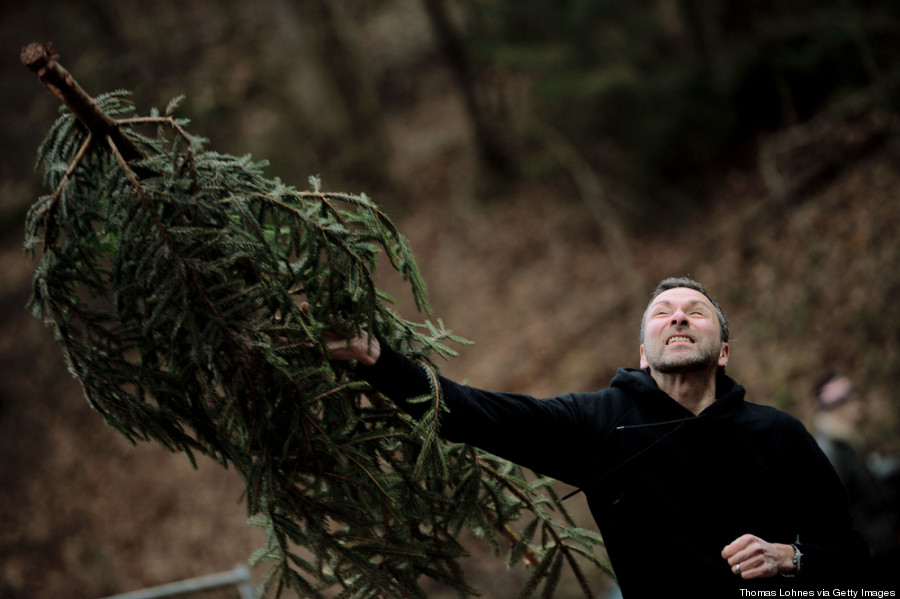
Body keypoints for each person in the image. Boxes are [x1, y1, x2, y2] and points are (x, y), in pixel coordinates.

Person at [321, 277, 872, 597]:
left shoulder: (779, 434)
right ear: (642, 352)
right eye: (663, 313)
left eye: (696, 313)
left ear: (723, 351)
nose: (678, 319)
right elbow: (472, 413)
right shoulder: (598, 422)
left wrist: (789, 558)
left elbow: (853, 561)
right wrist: (379, 361)